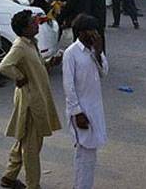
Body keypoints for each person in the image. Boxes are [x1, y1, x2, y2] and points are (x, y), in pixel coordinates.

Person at [0, 10, 62, 189]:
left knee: (24, 140)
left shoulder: (31, 44)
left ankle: (9, 177)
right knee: (32, 147)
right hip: (31, 101)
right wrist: (19, 76)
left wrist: (50, 64)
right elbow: (4, 66)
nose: (36, 25)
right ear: (24, 29)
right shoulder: (20, 46)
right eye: (32, 23)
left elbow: (36, 68)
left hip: (37, 96)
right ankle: (33, 185)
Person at [63, 14, 109, 189]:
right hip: (81, 113)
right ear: (81, 33)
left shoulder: (93, 50)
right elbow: (69, 87)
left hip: (94, 111)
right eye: (92, 31)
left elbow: (104, 72)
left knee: (91, 155)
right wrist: (77, 113)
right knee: (84, 156)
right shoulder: (71, 54)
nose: (95, 35)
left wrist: (98, 52)